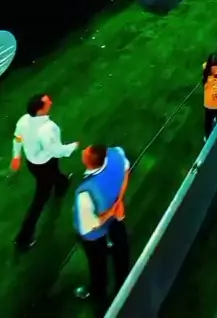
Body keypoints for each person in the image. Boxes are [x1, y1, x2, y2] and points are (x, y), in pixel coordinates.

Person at [11, 93, 78, 250]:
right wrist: (72, 147)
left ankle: (62, 185)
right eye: (48, 102)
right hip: (45, 163)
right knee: (40, 198)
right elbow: (56, 150)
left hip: (33, 163)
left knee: (54, 174)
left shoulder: (23, 121)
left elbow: (18, 138)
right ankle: (24, 237)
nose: (51, 103)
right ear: (40, 110)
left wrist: (16, 156)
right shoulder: (48, 129)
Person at [74, 144, 130, 311]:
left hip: (96, 231)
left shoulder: (85, 192)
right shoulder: (116, 154)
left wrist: (110, 212)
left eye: (86, 153)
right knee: (121, 246)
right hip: (115, 216)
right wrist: (118, 202)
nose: (83, 151)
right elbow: (126, 172)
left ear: (89, 163)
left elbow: (89, 226)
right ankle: (123, 282)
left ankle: (99, 292)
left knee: (97, 262)